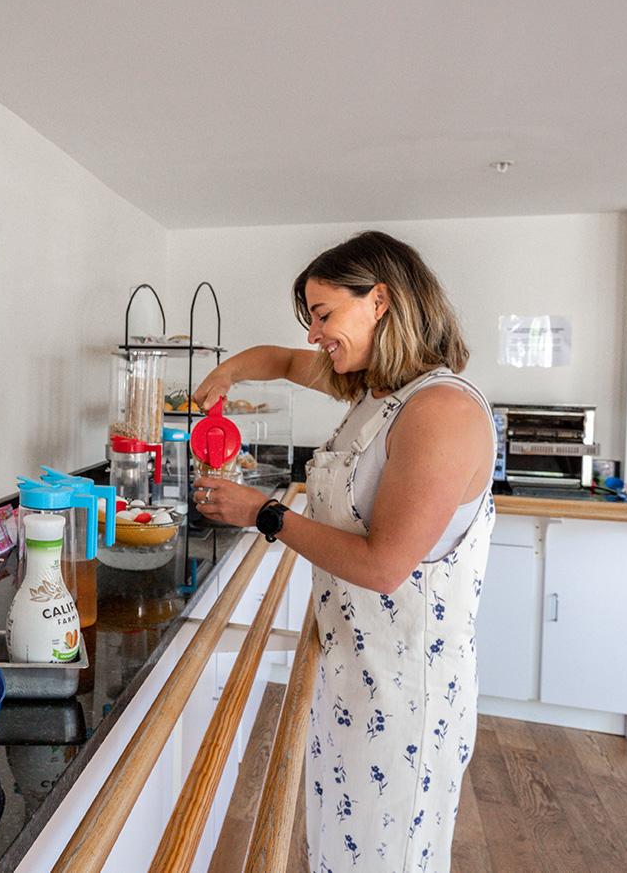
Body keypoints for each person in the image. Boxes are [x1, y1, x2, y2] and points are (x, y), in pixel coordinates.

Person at [193, 230, 494, 873]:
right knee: (339, 850)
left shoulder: (438, 409)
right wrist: (223, 376)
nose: (314, 336)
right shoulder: (373, 394)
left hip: (405, 691)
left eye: (324, 315)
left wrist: (263, 512)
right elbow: (279, 359)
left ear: (379, 300)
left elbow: (383, 566)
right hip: (351, 667)